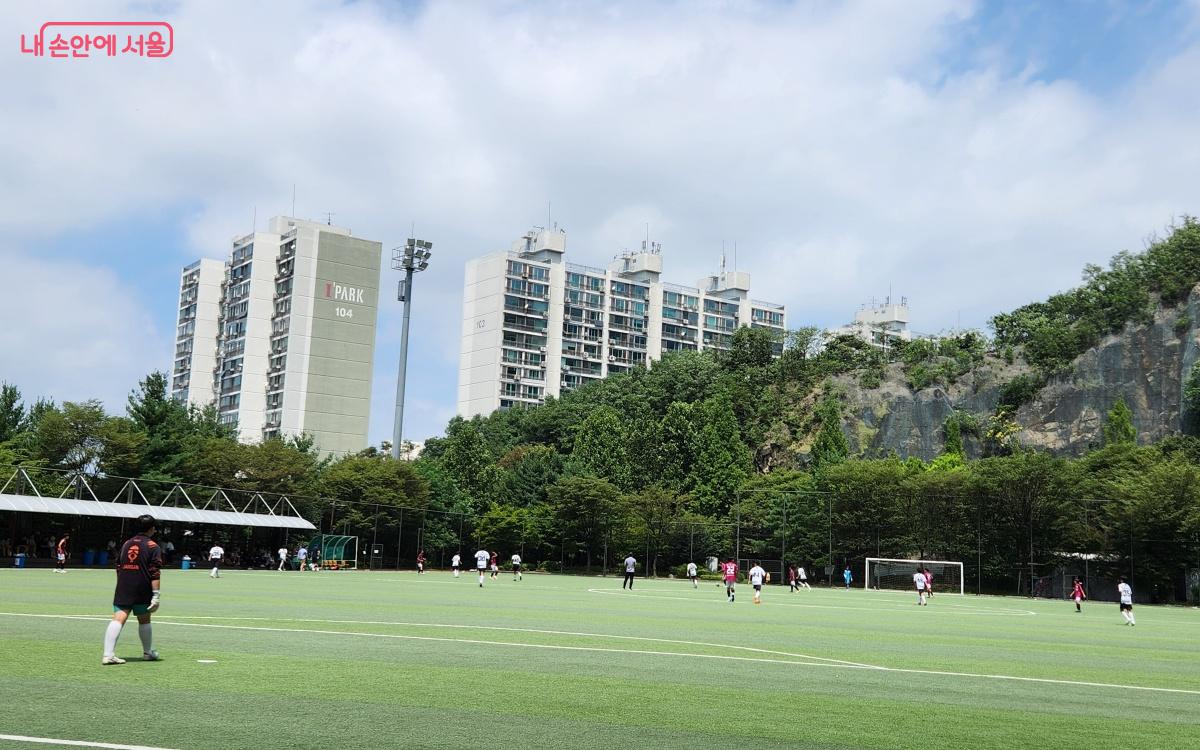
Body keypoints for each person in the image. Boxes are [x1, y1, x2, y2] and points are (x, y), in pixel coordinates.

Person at [102, 514, 162, 665]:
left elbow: (118, 565)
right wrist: (156, 595)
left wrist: (122, 583)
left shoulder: (127, 543)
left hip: (124, 585)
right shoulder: (153, 546)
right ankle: (148, 652)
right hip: (142, 586)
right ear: (152, 528)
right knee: (144, 619)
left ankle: (108, 654)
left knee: (118, 618)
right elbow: (154, 571)